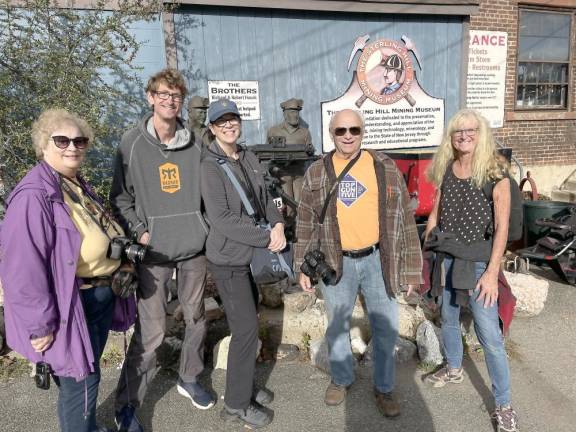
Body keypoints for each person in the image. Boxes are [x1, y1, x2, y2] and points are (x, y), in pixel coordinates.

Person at [0, 108, 135, 432]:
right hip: (69, 308)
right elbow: (22, 268)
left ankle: (87, 426)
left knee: (81, 378)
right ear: (43, 145)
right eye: (62, 140)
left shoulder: (72, 184)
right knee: (83, 380)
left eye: (80, 140)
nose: (72, 147)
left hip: (98, 297)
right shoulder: (35, 196)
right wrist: (39, 325)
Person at [293, 109, 422, 417]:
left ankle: (385, 387)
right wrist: (302, 265)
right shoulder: (317, 172)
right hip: (336, 263)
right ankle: (341, 378)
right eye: (341, 131)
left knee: (386, 327)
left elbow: (404, 219)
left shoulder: (384, 166)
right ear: (331, 134)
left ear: (362, 132)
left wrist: (412, 269)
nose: (348, 135)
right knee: (336, 325)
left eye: (353, 129)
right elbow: (305, 220)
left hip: (379, 258)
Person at [110, 68, 213, 432]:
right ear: (150, 97)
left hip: (193, 249)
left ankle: (189, 377)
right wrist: (139, 231)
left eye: (176, 95)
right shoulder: (130, 143)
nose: (170, 101)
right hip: (153, 254)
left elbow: (211, 190)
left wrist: (207, 228)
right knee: (151, 332)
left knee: (196, 317)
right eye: (163, 94)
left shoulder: (196, 141)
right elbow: (120, 198)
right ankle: (126, 404)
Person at [423, 109, 519, 432]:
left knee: (488, 333)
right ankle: (453, 367)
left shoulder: (495, 172)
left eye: (470, 131)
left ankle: (504, 405)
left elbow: (502, 227)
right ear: (451, 137)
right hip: (448, 257)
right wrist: (431, 231)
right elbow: (437, 205)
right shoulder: (448, 167)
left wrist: (492, 273)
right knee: (448, 317)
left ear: (481, 134)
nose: (463, 136)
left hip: (479, 261)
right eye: (457, 131)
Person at [201, 98, 286, 429]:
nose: (228, 125)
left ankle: (244, 383)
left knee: (249, 322)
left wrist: (277, 223)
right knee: (246, 331)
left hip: (249, 256)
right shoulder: (210, 166)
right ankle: (235, 404)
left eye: (232, 119)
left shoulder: (248, 156)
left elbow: (266, 198)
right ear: (212, 128)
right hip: (228, 260)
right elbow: (221, 219)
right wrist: (267, 239)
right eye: (221, 122)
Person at [266, 98, 314, 208]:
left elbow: (311, 150)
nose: (296, 115)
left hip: (299, 173)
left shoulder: (304, 132)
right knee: (287, 205)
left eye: (297, 112)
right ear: (285, 114)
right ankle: (286, 224)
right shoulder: (274, 131)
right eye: (292, 112)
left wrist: (310, 150)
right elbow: (266, 151)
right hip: (282, 174)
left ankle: (299, 224)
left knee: (300, 204)